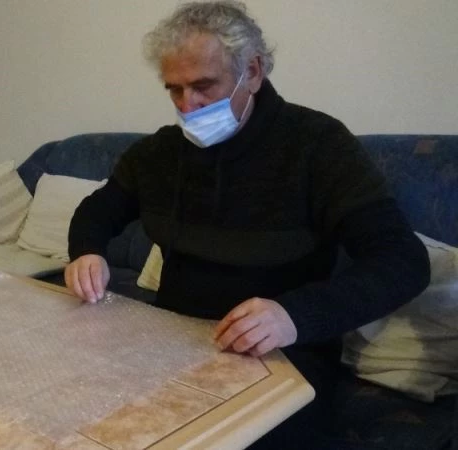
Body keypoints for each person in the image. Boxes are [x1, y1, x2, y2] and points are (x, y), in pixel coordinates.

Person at [64, 1, 430, 447]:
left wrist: (295, 314)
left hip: (283, 357)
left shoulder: (319, 145)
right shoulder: (157, 154)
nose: (188, 106)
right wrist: (86, 251)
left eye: (204, 86)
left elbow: (403, 261)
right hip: (169, 343)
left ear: (252, 72)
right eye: (174, 90)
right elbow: (97, 211)